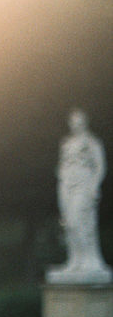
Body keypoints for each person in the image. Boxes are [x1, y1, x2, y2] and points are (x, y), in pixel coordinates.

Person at [47, 109, 111, 284]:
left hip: (84, 182)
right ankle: (74, 260)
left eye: (79, 120)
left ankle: (89, 261)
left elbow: (100, 166)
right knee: (68, 223)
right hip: (66, 183)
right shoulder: (66, 143)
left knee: (79, 220)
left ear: (84, 122)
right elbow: (61, 164)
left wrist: (94, 186)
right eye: (73, 121)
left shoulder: (92, 142)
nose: (76, 124)